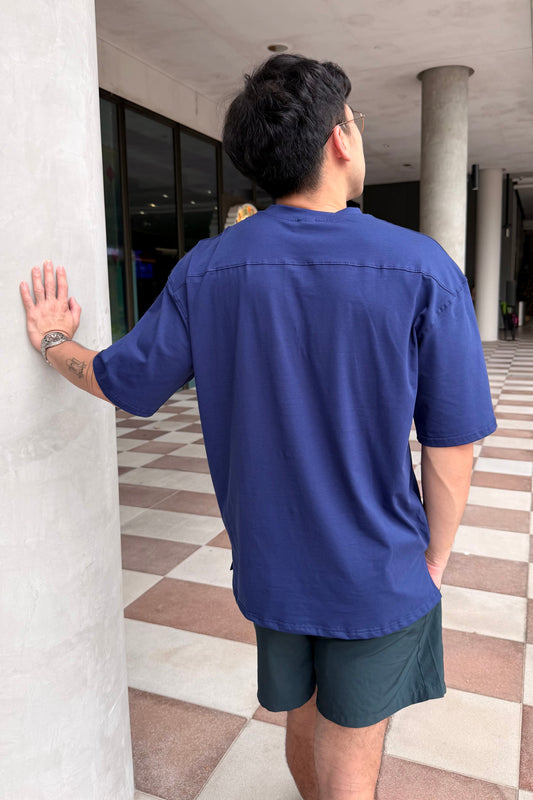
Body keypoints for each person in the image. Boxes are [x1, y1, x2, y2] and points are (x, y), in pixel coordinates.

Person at [21, 54, 496, 800]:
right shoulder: (419, 267)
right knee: (353, 750)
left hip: (271, 565)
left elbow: (121, 381)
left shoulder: (206, 270)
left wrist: (53, 340)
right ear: (339, 138)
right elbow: (450, 442)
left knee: (301, 718)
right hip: (376, 568)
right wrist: (433, 558)